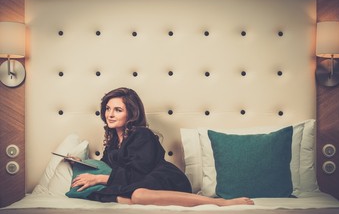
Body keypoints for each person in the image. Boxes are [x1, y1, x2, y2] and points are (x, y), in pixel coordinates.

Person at [70, 87, 254, 207]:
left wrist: (100, 179)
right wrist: (83, 163)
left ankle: (220, 203)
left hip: (163, 178)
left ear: (131, 113)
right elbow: (110, 166)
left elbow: (138, 171)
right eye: (108, 109)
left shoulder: (142, 134)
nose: (110, 114)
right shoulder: (112, 141)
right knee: (101, 195)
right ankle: (129, 198)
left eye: (118, 110)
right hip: (139, 183)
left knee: (138, 196)